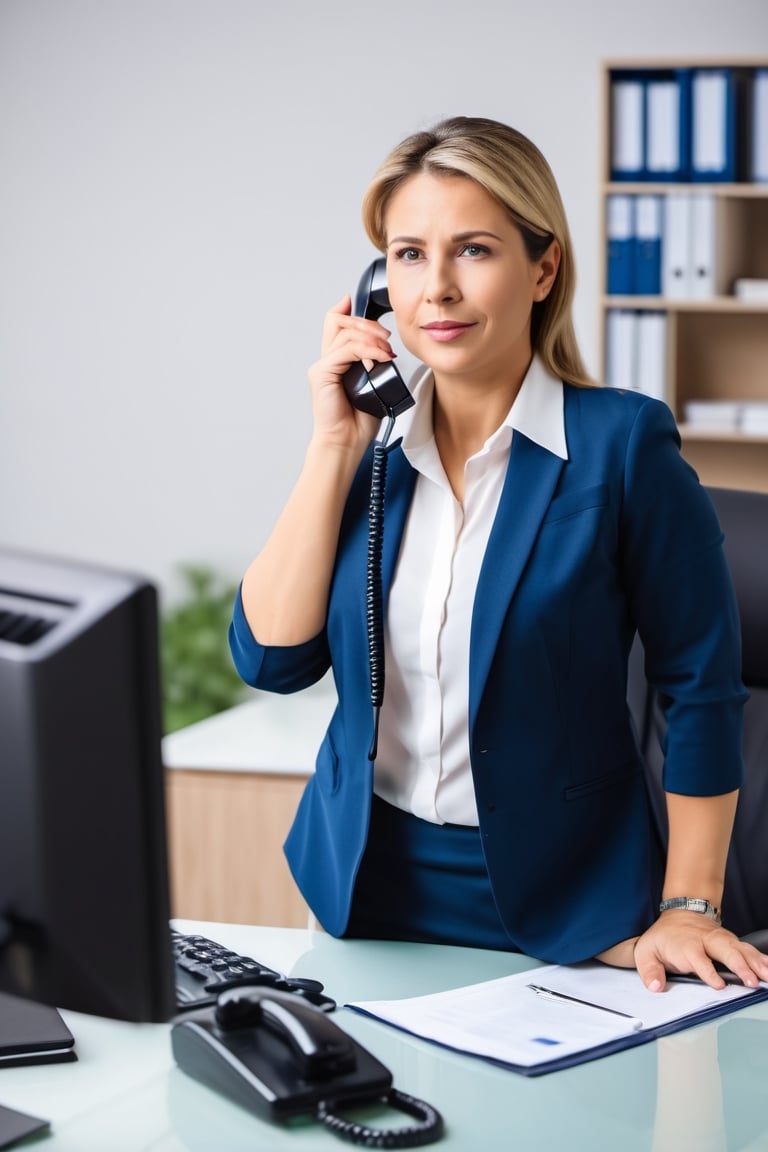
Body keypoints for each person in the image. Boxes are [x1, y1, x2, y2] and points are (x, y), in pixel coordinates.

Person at [229, 115, 768, 993]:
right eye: (407, 255)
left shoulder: (621, 445)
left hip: (575, 917)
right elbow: (272, 659)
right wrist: (332, 446)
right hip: (366, 896)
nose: (435, 289)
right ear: (377, 284)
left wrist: (691, 907)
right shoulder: (371, 459)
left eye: (472, 250)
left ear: (543, 267)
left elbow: (701, 687)